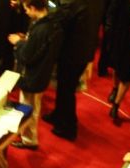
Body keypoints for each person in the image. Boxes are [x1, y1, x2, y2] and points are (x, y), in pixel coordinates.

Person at [42, 0, 103, 141]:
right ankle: (58, 115)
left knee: (66, 90)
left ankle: (68, 127)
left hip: (72, 52)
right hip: (82, 51)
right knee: (64, 88)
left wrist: (47, 11)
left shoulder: (75, 3)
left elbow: (60, 18)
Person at [8, 0, 63, 150]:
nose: (25, 12)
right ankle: (26, 135)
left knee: (29, 110)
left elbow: (27, 56)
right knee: (33, 107)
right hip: (42, 74)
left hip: (32, 76)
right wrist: (27, 41)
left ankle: (29, 140)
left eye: (26, 9)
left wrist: (18, 43)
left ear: (32, 7)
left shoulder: (41, 29)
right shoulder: (52, 22)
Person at [105, 0, 130, 124]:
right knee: (117, 67)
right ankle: (115, 88)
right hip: (120, 37)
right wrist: (109, 29)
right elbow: (112, 11)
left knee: (127, 74)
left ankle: (116, 105)